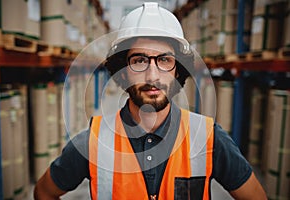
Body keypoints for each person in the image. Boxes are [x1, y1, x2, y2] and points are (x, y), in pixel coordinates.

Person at [34, 2, 267, 200]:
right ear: (122, 72)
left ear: (177, 71)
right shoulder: (91, 143)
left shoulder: (208, 138)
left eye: (165, 60)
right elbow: (43, 192)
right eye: (139, 60)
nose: (152, 75)